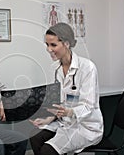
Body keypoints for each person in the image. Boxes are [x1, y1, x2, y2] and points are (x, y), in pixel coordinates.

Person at [29, 23, 103, 155]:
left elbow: (88, 105)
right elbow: (59, 102)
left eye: (53, 45)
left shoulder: (87, 68)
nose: (49, 49)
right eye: (47, 45)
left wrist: (69, 112)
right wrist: (49, 118)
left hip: (85, 126)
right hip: (65, 123)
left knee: (48, 150)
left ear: (67, 44)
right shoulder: (55, 69)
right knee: (35, 136)